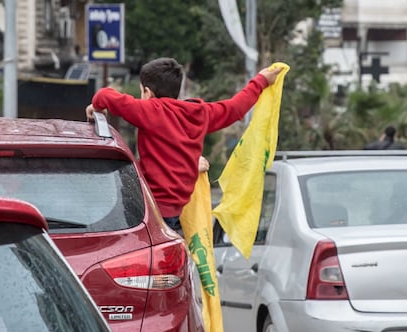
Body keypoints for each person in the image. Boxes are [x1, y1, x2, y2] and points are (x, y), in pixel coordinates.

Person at [85, 57, 283, 230]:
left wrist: (96, 107)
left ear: (147, 92)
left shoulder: (151, 111)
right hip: (178, 209)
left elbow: (104, 95)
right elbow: (235, 108)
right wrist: (261, 80)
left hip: (150, 208)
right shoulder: (200, 114)